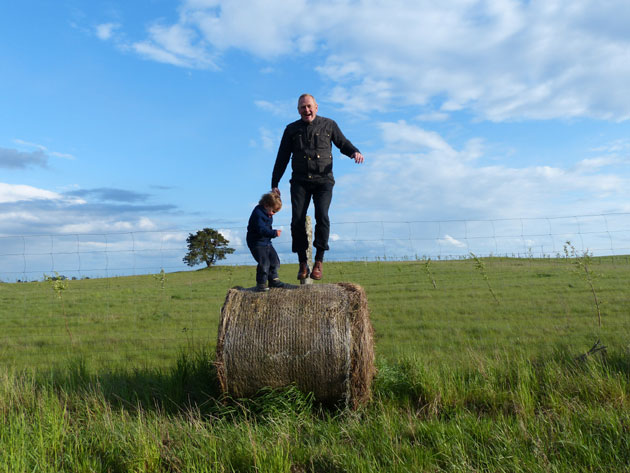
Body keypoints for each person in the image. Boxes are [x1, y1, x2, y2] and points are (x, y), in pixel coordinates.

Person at [271, 93, 364, 281]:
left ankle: (319, 260)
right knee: (297, 219)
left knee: (322, 216)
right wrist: (274, 183)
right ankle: (303, 263)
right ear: (298, 110)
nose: (306, 110)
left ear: (316, 107)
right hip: (300, 181)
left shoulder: (329, 125)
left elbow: (342, 143)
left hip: (324, 180)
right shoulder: (291, 129)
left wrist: (354, 152)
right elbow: (282, 157)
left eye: (309, 106)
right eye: (302, 108)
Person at [246, 192, 292, 292]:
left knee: (274, 260)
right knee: (264, 263)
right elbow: (261, 229)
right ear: (266, 205)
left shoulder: (267, 213)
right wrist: (274, 233)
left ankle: (274, 280)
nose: (273, 214)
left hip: (266, 242)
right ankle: (261, 283)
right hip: (256, 243)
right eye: (273, 211)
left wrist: (271, 234)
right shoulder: (258, 214)